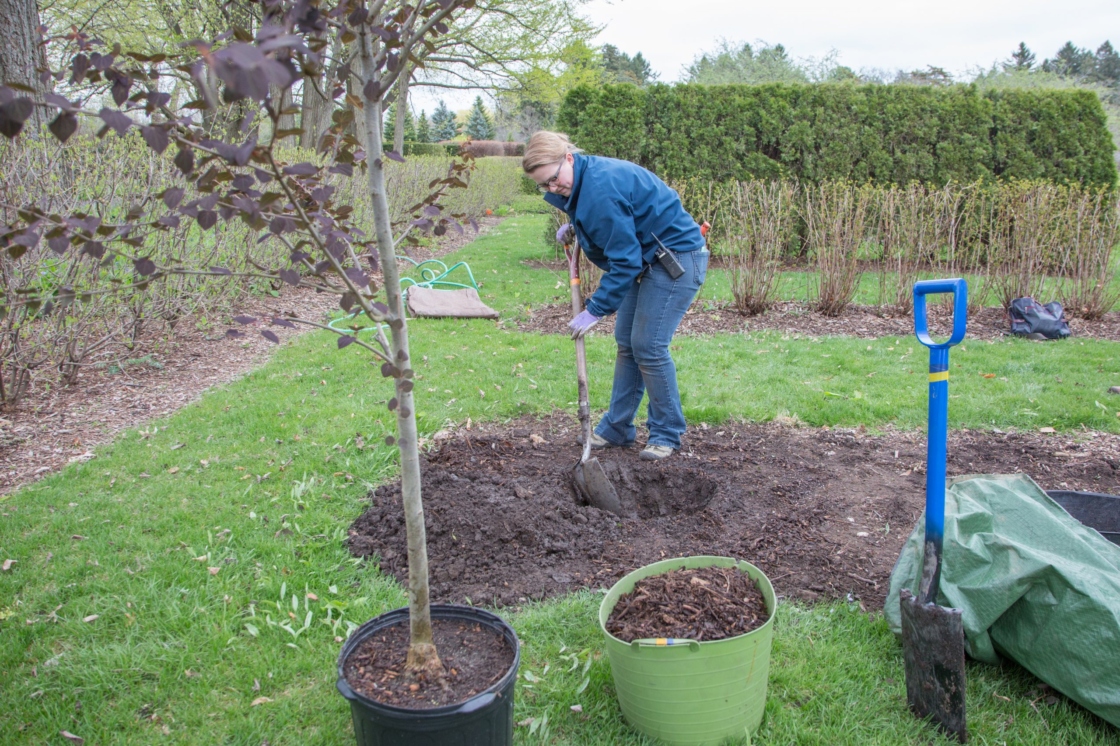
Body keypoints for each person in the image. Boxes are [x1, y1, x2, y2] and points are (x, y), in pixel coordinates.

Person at [522, 131, 708, 461]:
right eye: (544, 186)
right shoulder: (584, 178)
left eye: (553, 179)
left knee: (648, 345)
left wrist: (596, 309)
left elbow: (624, 259)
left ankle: (666, 432)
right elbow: (622, 224)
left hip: (675, 259)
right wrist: (577, 227)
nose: (552, 189)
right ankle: (617, 427)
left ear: (568, 158)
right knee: (627, 341)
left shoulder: (599, 188)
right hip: (649, 259)